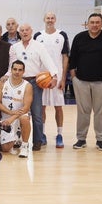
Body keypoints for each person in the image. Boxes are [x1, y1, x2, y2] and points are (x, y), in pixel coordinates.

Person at [11, 24, 58, 151]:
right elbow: (11, 65)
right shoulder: (14, 47)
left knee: (37, 114)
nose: (25, 32)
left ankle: (37, 141)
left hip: (34, 83)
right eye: (22, 30)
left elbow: (48, 61)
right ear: (19, 33)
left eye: (27, 30)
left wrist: (54, 76)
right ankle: (17, 139)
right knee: (18, 113)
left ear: (31, 31)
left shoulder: (39, 46)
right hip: (18, 83)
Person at [68, 13, 102, 151]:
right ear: (87, 24)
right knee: (83, 111)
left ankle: (100, 140)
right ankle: (81, 139)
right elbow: (72, 58)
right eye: (92, 22)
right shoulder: (79, 37)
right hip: (81, 81)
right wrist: (73, 77)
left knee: (100, 112)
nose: (94, 25)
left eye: (97, 22)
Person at [34, 12, 70, 148]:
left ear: (55, 20)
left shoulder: (62, 35)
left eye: (52, 18)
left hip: (57, 77)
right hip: (42, 77)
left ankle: (59, 134)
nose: (50, 20)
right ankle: (42, 134)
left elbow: (65, 57)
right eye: (47, 18)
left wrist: (63, 78)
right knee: (41, 107)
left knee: (58, 107)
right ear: (44, 20)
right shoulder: (38, 35)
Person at [0, 60, 33, 158]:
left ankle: (24, 146)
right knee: (6, 149)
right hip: (6, 118)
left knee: (25, 118)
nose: (17, 72)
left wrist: (12, 117)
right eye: (15, 69)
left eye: (20, 70)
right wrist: (10, 113)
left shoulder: (27, 86)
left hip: (20, 116)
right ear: (11, 70)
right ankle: (15, 137)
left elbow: (26, 107)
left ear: (23, 72)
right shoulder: (3, 83)